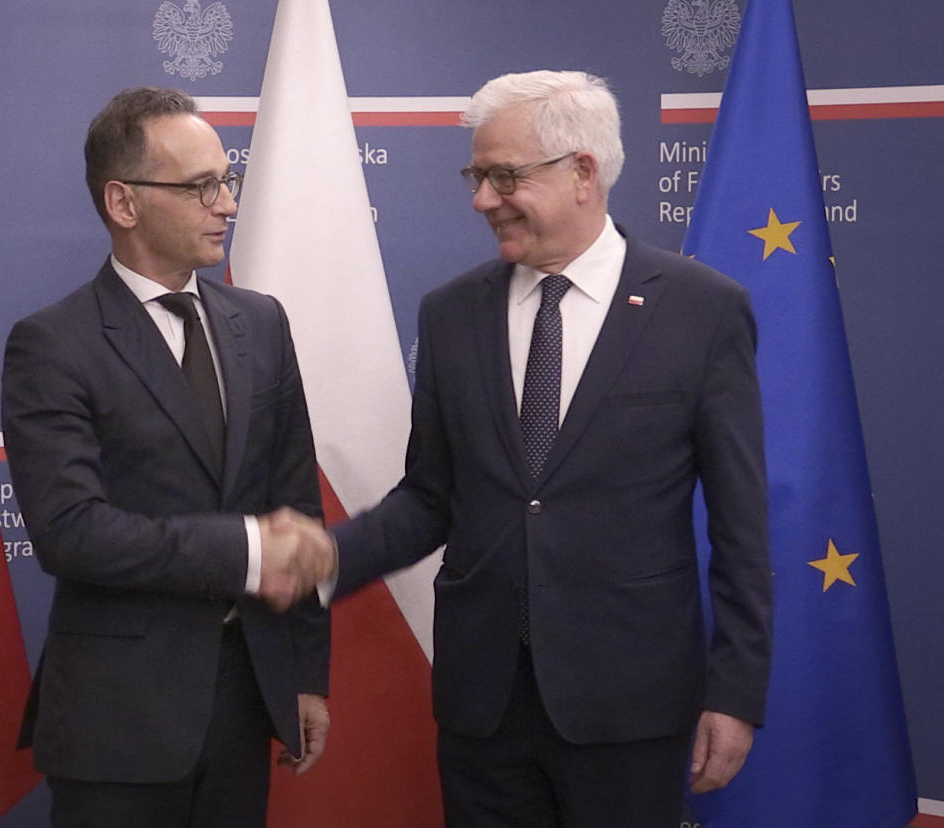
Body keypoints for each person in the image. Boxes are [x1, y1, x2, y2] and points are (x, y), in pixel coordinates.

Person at [295, 69, 772, 826]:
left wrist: (737, 693)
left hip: (630, 709)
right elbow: (431, 497)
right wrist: (324, 559)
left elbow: (743, 524)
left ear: (582, 171)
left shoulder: (703, 311)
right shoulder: (452, 314)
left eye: (504, 176)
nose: (482, 199)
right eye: (477, 176)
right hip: (484, 708)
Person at [1, 87, 333, 827]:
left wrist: (305, 675)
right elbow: (70, 531)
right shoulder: (54, 344)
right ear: (123, 203)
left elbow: (296, 504)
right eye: (201, 186)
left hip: (248, 702)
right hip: (118, 723)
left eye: (228, 180)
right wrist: (247, 547)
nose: (226, 204)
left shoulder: (261, 322)